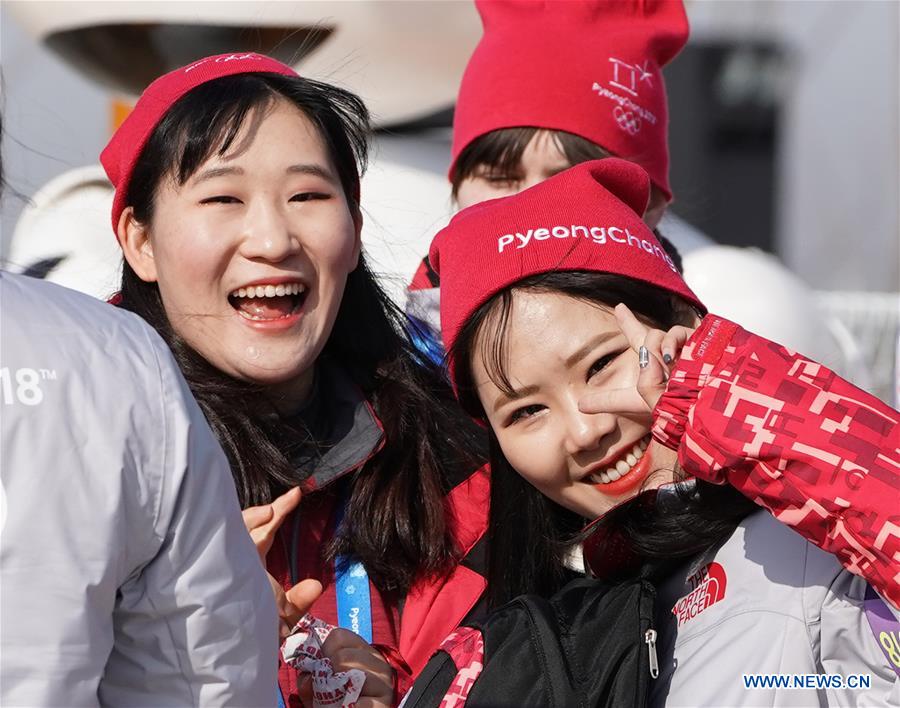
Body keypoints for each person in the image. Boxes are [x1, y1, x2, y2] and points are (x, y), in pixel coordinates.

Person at [429, 159, 899, 704]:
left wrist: (726, 393)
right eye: (526, 411)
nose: (583, 431)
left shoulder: (821, 562)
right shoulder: (498, 649)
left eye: (602, 364)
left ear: (686, 328)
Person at [100, 52, 489, 705]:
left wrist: (404, 692)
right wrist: (186, 645)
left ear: (354, 227)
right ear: (139, 240)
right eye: (223, 198)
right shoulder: (75, 460)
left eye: (307, 196)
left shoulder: (453, 464)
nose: (273, 239)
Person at [407, 0, 863, 386]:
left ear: (652, 207)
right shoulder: (395, 362)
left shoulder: (715, 361)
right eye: (500, 178)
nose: (529, 205)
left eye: (569, 183)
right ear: (457, 188)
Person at [0, 271, 278, 706]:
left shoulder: (114, 352)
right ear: (137, 242)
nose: (270, 245)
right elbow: (198, 677)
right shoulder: (112, 350)